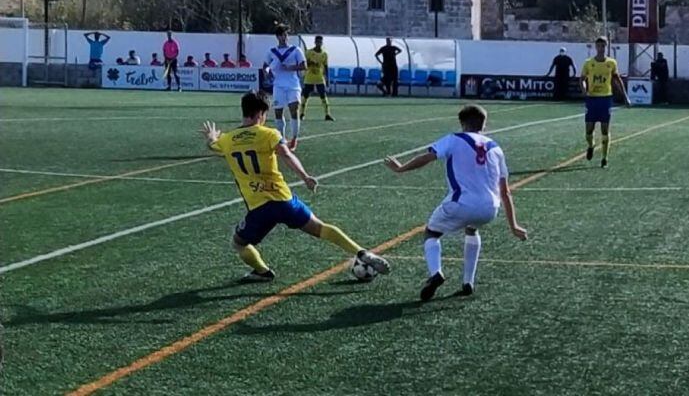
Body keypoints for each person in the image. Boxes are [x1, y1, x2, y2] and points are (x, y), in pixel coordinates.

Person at [200, 91, 389, 282]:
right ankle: (361, 252)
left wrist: (211, 137)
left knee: (239, 243)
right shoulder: (269, 134)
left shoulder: (227, 140)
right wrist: (305, 177)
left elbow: (213, 145)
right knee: (321, 228)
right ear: (260, 113)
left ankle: (262, 271)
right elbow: (286, 154)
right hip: (283, 200)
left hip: (259, 208)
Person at [382, 104, 527, 300]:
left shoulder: (454, 139)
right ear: (484, 124)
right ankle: (468, 282)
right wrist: (514, 226)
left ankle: (436, 274)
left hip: (461, 204)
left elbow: (427, 157)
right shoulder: (496, 148)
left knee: (431, 233)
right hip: (489, 209)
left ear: (462, 124)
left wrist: (401, 168)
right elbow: (505, 191)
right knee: (472, 229)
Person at [581, 36, 628, 169]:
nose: (601, 48)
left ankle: (604, 158)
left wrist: (625, 96)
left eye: (603, 46)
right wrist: (584, 90)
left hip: (605, 99)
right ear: (596, 47)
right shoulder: (589, 63)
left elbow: (617, 79)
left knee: (605, 129)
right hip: (592, 99)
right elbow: (582, 79)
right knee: (589, 129)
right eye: (599, 46)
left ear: (606, 47)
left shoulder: (611, 63)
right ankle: (591, 145)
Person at [264, 25, 306, 150]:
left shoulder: (295, 50)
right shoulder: (272, 51)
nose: (285, 37)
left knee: (294, 109)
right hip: (278, 86)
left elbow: (304, 65)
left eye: (286, 35)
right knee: (278, 112)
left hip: (293, 85)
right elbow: (265, 66)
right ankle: (281, 139)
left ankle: (294, 138)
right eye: (282, 35)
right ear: (277, 37)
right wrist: (267, 72)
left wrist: (290, 68)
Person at [301, 35, 333, 121]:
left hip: (319, 78)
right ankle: (302, 114)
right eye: (317, 42)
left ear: (322, 43)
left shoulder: (324, 54)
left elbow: (326, 67)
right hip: (309, 78)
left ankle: (327, 114)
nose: (319, 43)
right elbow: (304, 64)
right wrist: (310, 63)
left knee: (323, 96)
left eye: (320, 42)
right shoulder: (308, 52)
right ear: (315, 42)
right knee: (305, 96)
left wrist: (327, 79)